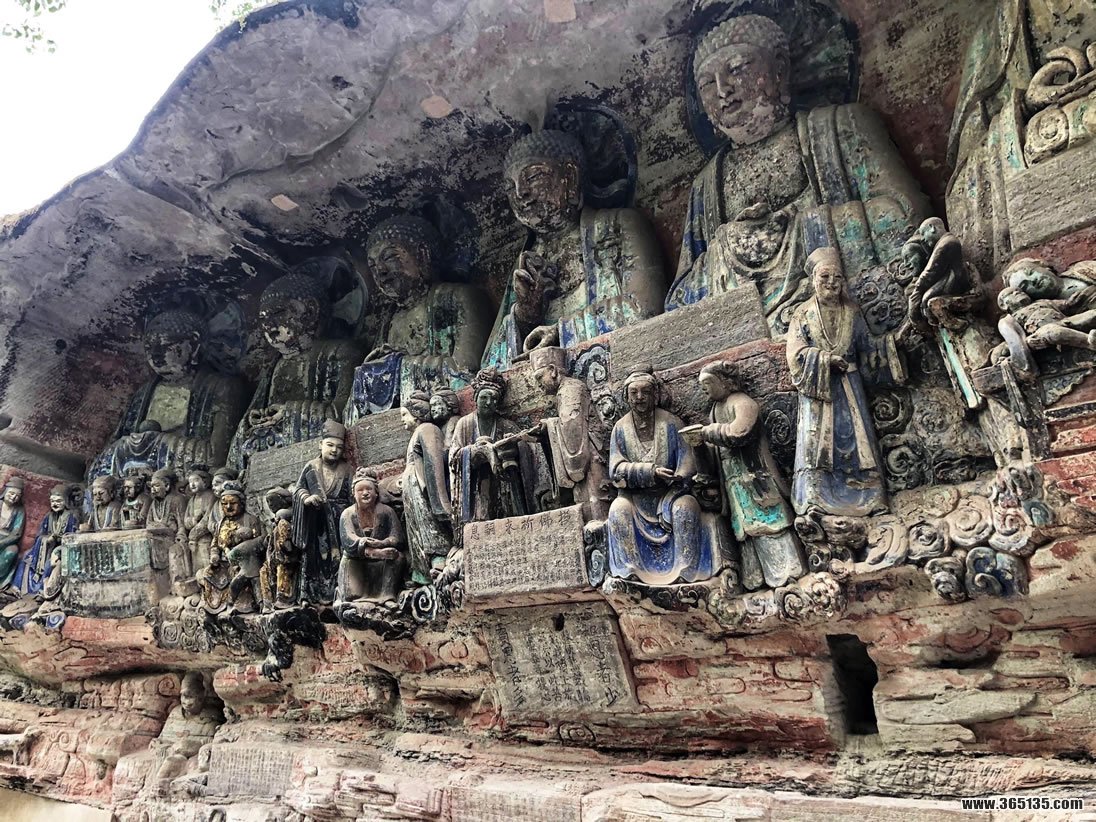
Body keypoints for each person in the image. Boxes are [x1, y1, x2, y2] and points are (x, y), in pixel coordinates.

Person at [666, 13, 926, 332]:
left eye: (737, 68)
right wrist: (727, 246)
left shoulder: (840, 126)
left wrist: (799, 229)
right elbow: (680, 301)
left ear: (779, 69)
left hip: (840, 305)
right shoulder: (705, 186)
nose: (723, 89)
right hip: (748, 330)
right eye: (707, 83)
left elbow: (906, 219)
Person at [482, 130, 666, 368]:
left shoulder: (617, 226)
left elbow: (644, 309)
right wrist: (525, 315)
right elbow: (490, 364)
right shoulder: (525, 264)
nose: (520, 193)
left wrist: (562, 332)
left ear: (570, 176)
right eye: (510, 187)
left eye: (534, 176)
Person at [786, 247, 910, 517]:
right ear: (813, 280)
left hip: (850, 385)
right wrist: (824, 359)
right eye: (825, 276)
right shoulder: (802, 314)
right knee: (816, 443)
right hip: (818, 390)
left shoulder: (852, 311)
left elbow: (868, 348)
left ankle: (869, 497)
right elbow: (795, 353)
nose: (831, 283)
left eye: (837, 277)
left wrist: (892, 344)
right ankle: (816, 497)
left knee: (858, 440)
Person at [346, 215, 491, 419]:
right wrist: (374, 370)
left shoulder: (459, 297)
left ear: (423, 254)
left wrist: (398, 365)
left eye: (389, 257)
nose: (381, 271)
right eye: (373, 266)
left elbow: (466, 372)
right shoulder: (388, 321)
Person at [681, 362, 804, 589]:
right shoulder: (715, 410)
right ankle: (755, 579)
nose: (704, 389)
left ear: (725, 382)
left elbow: (740, 431)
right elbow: (715, 452)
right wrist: (698, 445)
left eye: (708, 383)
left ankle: (787, 571)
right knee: (743, 527)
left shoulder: (742, 402)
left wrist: (707, 432)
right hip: (733, 481)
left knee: (768, 521)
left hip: (755, 477)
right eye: (701, 385)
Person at [606, 366, 728, 585]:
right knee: (618, 510)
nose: (640, 397)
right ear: (626, 397)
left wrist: (677, 478)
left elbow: (688, 463)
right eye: (634, 393)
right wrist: (649, 472)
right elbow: (615, 471)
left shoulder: (671, 423)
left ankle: (686, 569)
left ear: (655, 395)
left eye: (645, 392)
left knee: (686, 507)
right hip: (636, 500)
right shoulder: (620, 429)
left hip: (670, 496)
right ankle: (630, 570)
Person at [292, 420, 353, 604]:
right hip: (316, 520)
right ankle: (309, 595)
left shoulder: (347, 469)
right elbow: (298, 490)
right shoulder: (312, 467)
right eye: (330, 445)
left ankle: (340, 592)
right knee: (313, 558)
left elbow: (352, 495)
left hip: (339, 519)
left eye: (339, 447)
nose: (334, 450)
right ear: (321, 444)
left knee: (339, 557)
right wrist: (307, 498)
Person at [399, 392, 453, 584]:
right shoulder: (416, 433)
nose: (402, 420)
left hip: (421, 486)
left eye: (404, 414)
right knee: (416, 527)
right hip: (411, 487)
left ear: (416, 414)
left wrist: (436, 497)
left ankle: (439, 559)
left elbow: (433, 461)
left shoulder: (427, 429)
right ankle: (421, 570)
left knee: (428, 523)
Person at [336, 470, 406, 604]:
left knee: (398, 557)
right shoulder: (348, 514)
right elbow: (348, 540)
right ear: (353, 494)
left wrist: (383, 543)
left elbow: (398, 537)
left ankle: (387, 596)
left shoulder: (387, 511)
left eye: (369, 489)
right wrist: (367, 546)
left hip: (382, 561)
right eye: (360, 490)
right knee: (352, 597)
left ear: (376, 492)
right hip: (356, 561)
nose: (365, 493)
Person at [14, 484, 79, 597]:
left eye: (59, 501)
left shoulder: (72, 517)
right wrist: (46, 539)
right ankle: (17, 588)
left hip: (61, 549)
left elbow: (74, 537)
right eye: (52, 501)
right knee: (26, 558)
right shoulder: (48, 516)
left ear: (66, 501)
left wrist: (58, 540)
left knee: (50, 564)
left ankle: (42, 590)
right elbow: (40, 534)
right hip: (45, 548)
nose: (55, 504)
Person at [0, 477, 26, 590]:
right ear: (5, 492)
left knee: (13, 550)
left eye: (17, 496)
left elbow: (17, 533)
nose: (13, 497)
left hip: (6, 541)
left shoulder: (19, 510)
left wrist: (2, 543)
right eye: (11, 493)